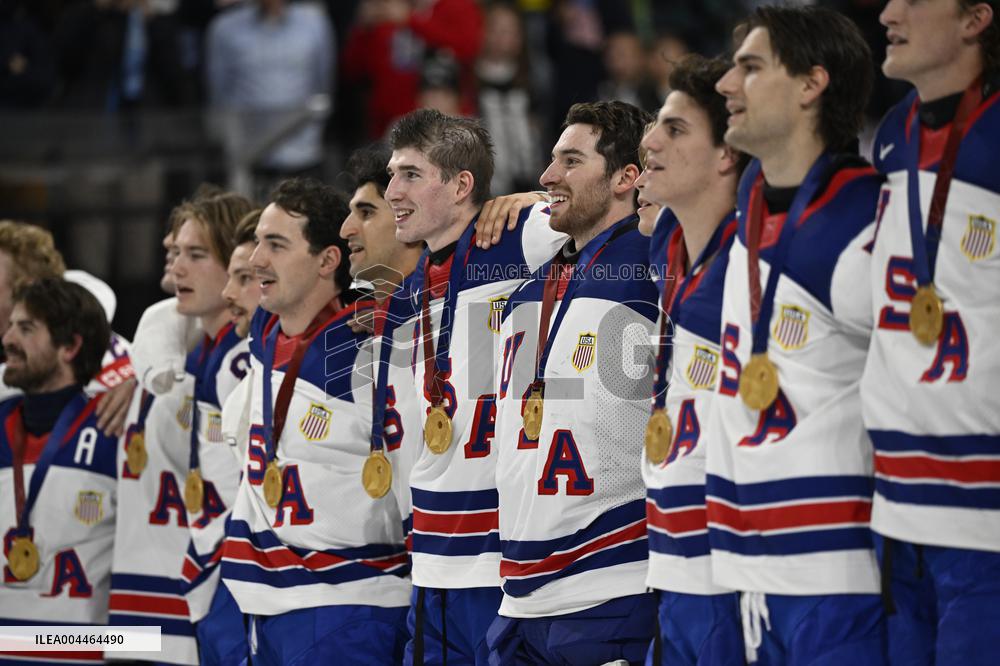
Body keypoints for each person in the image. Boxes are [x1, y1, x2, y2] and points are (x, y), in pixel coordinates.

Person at [709, 5, 887, 663]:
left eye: (751, 67)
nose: (727, 83)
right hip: (749, 567)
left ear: (812, 84)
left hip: (836, 573)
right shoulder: (751, 202)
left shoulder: (869, 216)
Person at [385, 108, 565, 664]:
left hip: (502, 556)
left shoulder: (516, 237)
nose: (393, 191)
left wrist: (537, 200)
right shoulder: (411, 290)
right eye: (392, 175)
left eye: (411, 175)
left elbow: (609, 211)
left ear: (462, 185)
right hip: (432, 560)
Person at [485, 99, 657, 663]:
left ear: (626, 178)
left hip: (611, 585)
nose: (547, 175)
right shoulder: (528, 288)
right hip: (517, 594)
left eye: (571, 161)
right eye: (552, 159)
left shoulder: (653, 262)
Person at [220, 178, 411, 665]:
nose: (256, 259)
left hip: (349, 606)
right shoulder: (263, 329)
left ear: (328, 261)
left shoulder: (367, 346)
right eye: (258, 242)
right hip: (262, 601)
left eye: (276, 245)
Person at [861, 1, 1000, 664]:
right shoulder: (895, 130)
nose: (890, 11)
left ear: (975, 19)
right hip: (896, 501)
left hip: (982, 509)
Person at [636, 54, 747, 666]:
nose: (650, 141)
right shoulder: (665, 243)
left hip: (729, 560)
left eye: (674, 129)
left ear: (726, 154)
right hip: (670, 552)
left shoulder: (754, 259)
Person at [0, 279, 115, 645]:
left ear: (70, 347)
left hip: (83, 651)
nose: (7, 339)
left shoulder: (116, 427)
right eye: (11, 326)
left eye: (26, 328)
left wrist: (131, 648)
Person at [171, 193, 254, 665]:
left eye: (196, 254)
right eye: (175, 253)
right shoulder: (201, 351)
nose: (176, 268)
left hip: (237, 562)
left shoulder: (240, 357)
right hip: (212, 555)